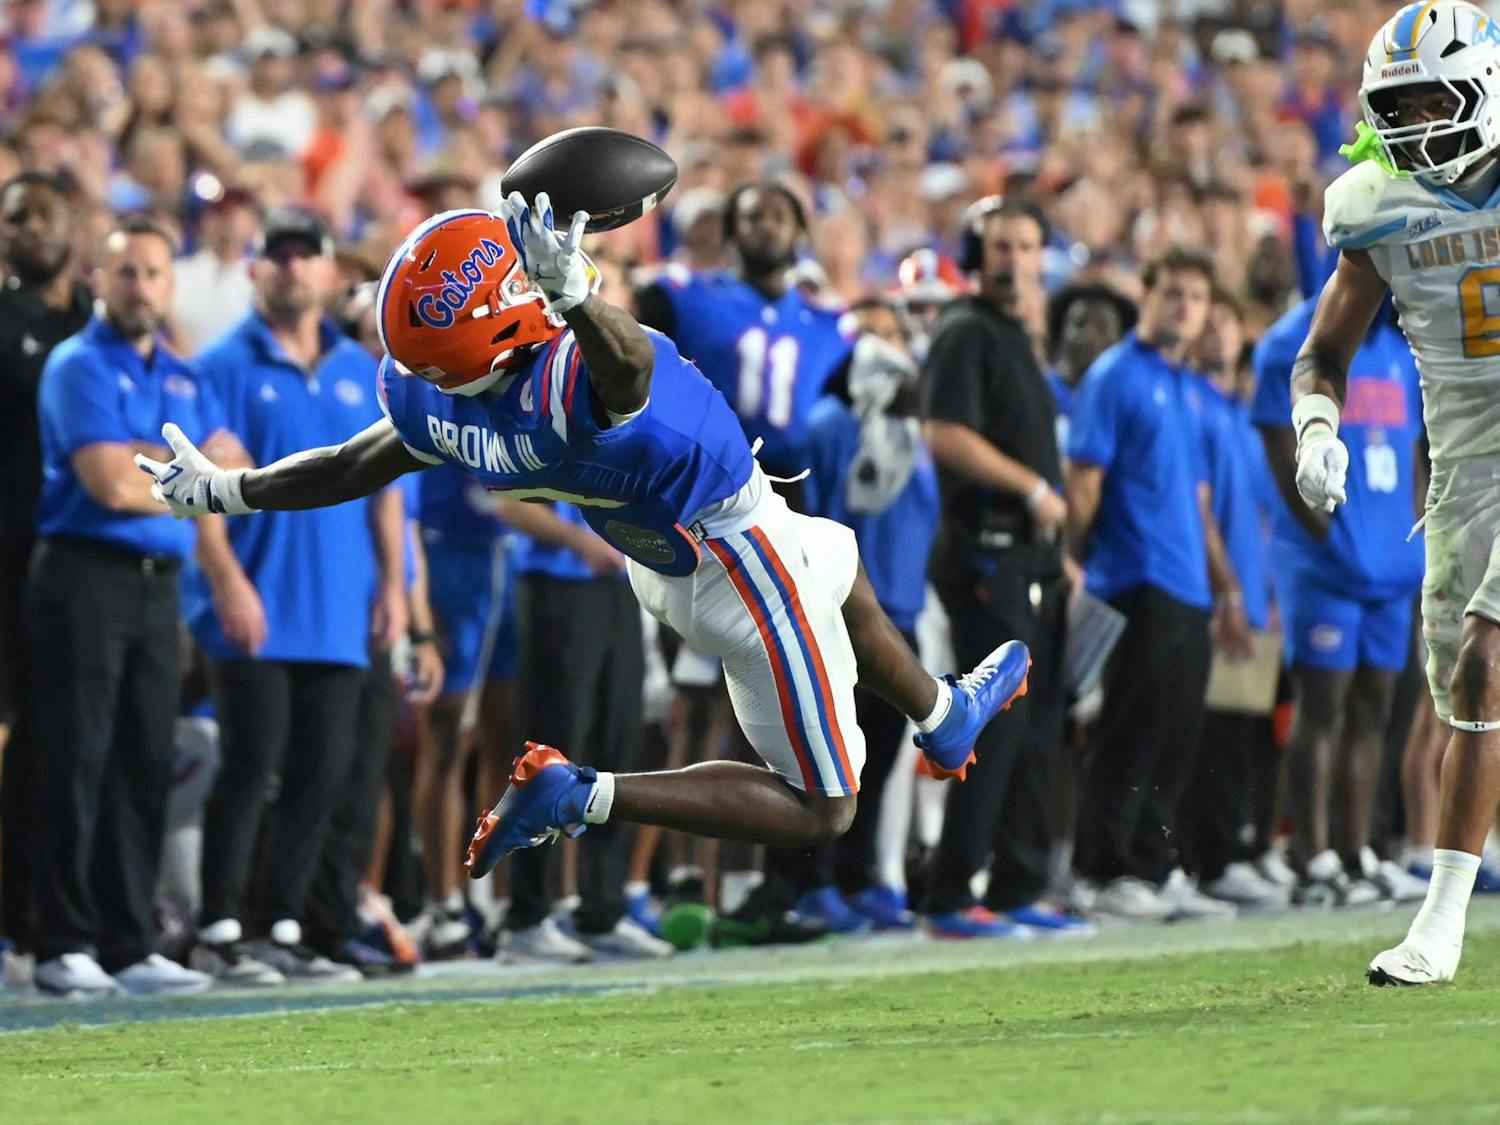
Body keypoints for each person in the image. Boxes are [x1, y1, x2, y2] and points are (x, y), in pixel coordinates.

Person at [135, 196, 1031, 889]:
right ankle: (585, 791)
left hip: (674, 551)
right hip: (739, 557)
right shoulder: (573, 387)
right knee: (824, 807)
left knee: (841, 567)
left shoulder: (443, 401)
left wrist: (229, 488)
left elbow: (351, 462)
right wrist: (578, 291)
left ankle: (943, 717)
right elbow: (627, 368)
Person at [1286, 0, 1500, 985]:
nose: (1412, 124)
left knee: (1484, 666)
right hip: (1464, 465)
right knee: (1466, 698)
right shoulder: (1374, 204)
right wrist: (1316, 429)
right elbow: (1323, 353)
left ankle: (1440, 925)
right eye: (1395, 106)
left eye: (1432, 100)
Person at [186, 208, 404, 985]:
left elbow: (385, 488)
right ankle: (218, 926)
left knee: (323, 772)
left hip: (342, 605)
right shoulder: (219, 364)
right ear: (255, 270)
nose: (289, 268)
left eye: (303, 256)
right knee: (248, 768)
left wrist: (396, 588)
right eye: (275, 256)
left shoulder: (359, 367)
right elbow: (196, 489)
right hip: (259, 602)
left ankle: (283, 923)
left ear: (327, 271)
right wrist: (226, 580)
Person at [26, 217, 227, 997]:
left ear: (169, 286)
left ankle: (129, 940)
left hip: (157, 584)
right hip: (84, 575)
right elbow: (110, 483)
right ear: (98, 280)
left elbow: (230, 461)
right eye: (126, 272)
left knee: (144, 759)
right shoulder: (77, 365)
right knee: (77, 756)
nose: (139, 285)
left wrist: (178, 475)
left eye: (152, 272)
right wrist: (183, 479)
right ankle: (60, 939)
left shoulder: (183, 372)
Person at [917, 198, 1091, 938]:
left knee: (1040, 721)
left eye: (1027, 246)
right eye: (1001, 245)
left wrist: (1059, 553)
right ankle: (951, 893)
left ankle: (1019, 885)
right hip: (986, 547)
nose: (1015, 259)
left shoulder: (1017, 336)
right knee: (993, 719)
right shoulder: (964, 330)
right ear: (975, 252)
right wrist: (1030, 491)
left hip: (1032, 556)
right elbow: (944, 435)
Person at [1065, 245, 1250, 922]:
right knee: (1129, 732)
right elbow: (1083, 485)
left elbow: (1198, 503)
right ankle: (1103, 870)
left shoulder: (1190, 391)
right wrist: (1079, 564)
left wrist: (1224, 584)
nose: (1183, 305)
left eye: (1195, 297)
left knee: (1176, 735)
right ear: (1147, 295)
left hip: (1186, 587)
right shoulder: (1114, 377)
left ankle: (1151, 864)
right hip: (1132, 577)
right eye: (1171, 291)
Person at [1254, 295, 1425, 907]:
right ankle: (1312, 854)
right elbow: (1279, 448)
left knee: (1376, 709)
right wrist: (1330, 537)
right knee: (1322, 705)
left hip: (1392, 563)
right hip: (1325, 566)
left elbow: (1415, 453)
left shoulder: (1400, 348)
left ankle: (1358, 851)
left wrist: (1414, 536)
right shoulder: (1289, 344)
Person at [801, 298, 940, 929]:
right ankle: (810, 882)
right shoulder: (829, 422)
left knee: (878, 757)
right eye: (870, 335)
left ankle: (856, 876)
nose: (884, 349)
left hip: (901, 611)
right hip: (842, 611)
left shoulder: (915, 431)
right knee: (829, 755)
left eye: (893, 334)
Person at [0, 170, 92, 952]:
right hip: (7, 557)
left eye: (44, 213)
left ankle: (48, 924)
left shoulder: (101, 322)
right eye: (15, 217)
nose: (31, 227)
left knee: (65, 746)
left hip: (79, 566)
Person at [636, 181, 852, 500]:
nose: (767, 227)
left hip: (789, 482)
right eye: (754, 217)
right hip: (703, 472)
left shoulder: (828, 325)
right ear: (731, 230)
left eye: (779, 218)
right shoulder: (686, 297)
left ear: (800, 233)